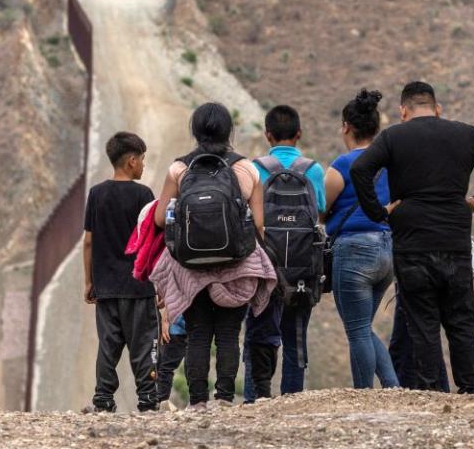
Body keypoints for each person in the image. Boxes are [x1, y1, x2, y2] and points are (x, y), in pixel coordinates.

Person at [350, 81, 474, 394]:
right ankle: (471, 389)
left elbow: (360, 169)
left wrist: (379, 213)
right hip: (454, 240)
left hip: (412, 245)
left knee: (423, 324)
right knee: (461, 321)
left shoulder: (394, 136)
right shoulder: (465, 133)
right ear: (437, 108)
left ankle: (431, 394)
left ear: (403, 111)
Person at [149, 102, 277, 410]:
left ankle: (198, 402)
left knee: (197, 335)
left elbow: (157, 220)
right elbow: (259, 224)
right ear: (227, 131)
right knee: (229, 335)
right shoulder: (246, 169)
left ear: (194, 131)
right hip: (236, 265)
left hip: (192, 268)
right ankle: (223, 398)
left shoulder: (180, 169)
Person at [244, 105, 327, 399]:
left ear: (267, 135)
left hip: (262, 269)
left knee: (257, 335)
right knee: (295, 340)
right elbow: (319, 214)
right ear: (299, 133)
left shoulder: (254, 169)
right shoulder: (313, 170)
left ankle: (254, 401)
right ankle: (291, 402)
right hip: (302, 270)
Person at [324, 89, 398, 389]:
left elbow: (321, 209)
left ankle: (364, 394)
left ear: (346, 127)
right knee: (363, 327)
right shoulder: (391, 166)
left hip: (353, 251)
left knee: (356, 330)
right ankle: (393, 386)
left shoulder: (341, 166)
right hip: (387, 250)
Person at [83, 132, 159, 412]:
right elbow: (151, 244)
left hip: (106, 287)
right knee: (144, 345)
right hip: (139, 288)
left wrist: (89, 281)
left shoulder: (96, 194)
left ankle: (103, 399)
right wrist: (159, 285)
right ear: (130, 161)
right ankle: (148, 398)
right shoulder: (144, 195)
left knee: (108, 345)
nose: (143, 165)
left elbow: (89, 241)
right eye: (142, 160)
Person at [156, 314, 187, 408]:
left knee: (165, 367)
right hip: (198, 327)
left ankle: (161, 402)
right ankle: (198, 402)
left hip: (177, 326)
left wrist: (166, 318)